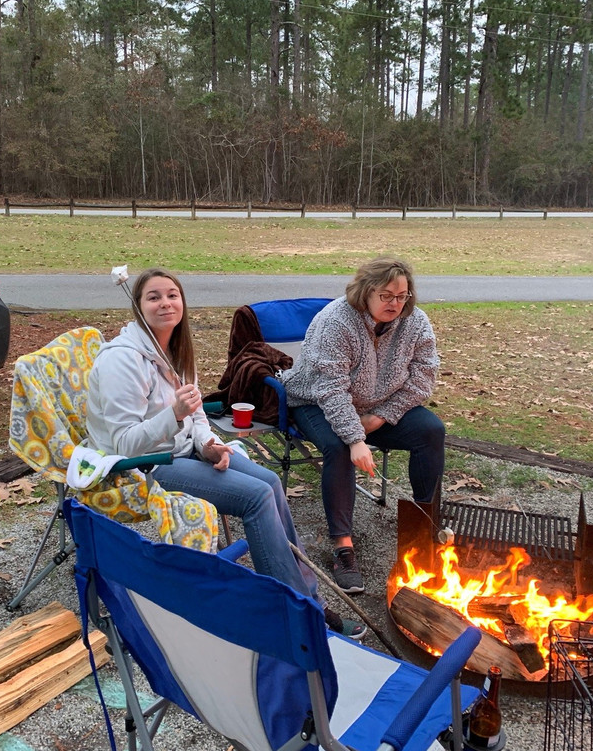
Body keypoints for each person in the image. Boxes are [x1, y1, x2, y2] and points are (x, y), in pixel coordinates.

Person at [86, 267, 365, 638]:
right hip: (143, 467)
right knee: (255, 497)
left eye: (172, 295)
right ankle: (290, 609)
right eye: (154, 297)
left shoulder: (176, 351)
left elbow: (199, 414)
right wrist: (174, 415)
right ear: (138, 307)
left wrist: (207, 443)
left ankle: (305, 596)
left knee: (269, 482)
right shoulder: (122, 360)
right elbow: (124, 443)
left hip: (183, 453)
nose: (165, 303)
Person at [282, 257, 445, 594]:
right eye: (387, 296)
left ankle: (424, 528)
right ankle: (343, 547)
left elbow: (423, 377)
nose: (396, 304)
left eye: (402, 296)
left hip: (379, 406)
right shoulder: (336, 321)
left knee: (431, 430)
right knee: (339, 445)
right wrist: (356, 438)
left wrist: (380, 417)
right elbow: (330, 388)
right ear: (366, 291)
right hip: (315, 400)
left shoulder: (415, 321)